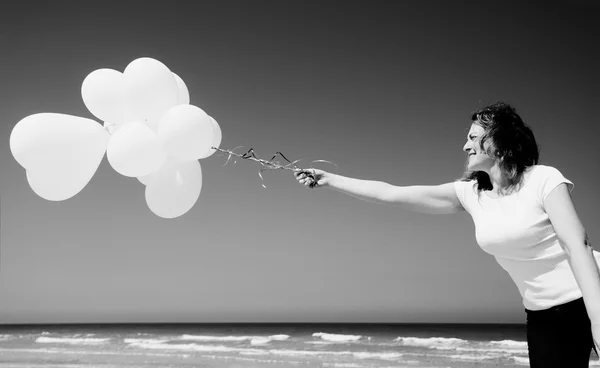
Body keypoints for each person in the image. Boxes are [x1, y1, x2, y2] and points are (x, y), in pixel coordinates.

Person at [294, 102, 599, 367]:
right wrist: (330, 180)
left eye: (472, 137)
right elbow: (392, 193)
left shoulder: (543, 179)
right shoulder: (471, 194)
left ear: (498, 141)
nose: (465, 146)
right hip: (542, 314)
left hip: (592, 294)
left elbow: (577, 246)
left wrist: (597, 320)